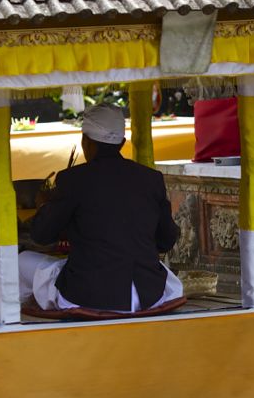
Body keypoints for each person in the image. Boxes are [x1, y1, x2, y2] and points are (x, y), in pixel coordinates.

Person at [25, 103, 182, 312]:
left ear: (86, 141)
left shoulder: (73, 180)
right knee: (162, 273)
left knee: (20, 262)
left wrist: (44, 204)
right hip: (147, 295)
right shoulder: (151, 179)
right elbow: (166, 240)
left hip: (89, 295)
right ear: (122, 143)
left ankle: (14, 323)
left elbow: (41, 235)